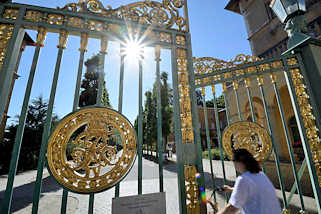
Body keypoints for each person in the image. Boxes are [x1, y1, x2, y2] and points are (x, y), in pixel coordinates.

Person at [208, 149, 282, 214]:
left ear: (239, 162)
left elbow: (231, 209)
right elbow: (252, 190)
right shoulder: (261, 175)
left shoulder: (243, 179)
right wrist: (230, 189)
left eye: (233, 160)